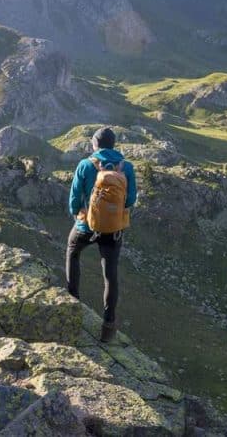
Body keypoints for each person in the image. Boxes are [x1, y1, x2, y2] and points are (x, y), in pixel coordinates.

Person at [66, 127, 137, 342]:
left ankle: (72, 308)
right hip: (113, 230)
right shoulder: (127, 167)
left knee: (73, 253)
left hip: (86, 227)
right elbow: (131, 199)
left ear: (94, 144)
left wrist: (79, 216)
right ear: (113, 145)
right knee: (110, 276)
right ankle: (108, 327)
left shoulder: (85, 165)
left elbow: (73, 200)